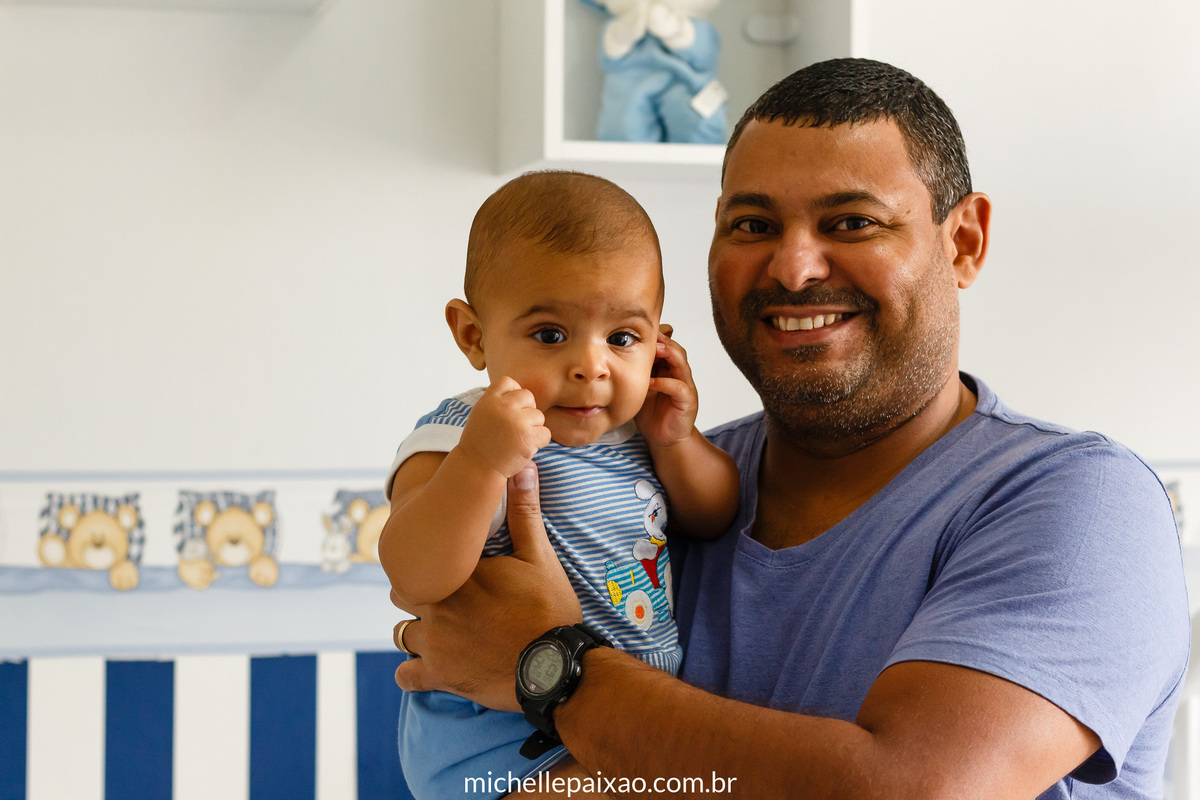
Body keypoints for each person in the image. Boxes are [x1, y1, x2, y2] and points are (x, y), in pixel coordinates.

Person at [390, 59, 1190, 800]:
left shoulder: (1080, 503)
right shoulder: (662, 469)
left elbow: (912, 791)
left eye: (851, 222)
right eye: (752, 225)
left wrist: (549, 667)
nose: (794, 267)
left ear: (965, 242)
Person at [378, 170, 740, 798]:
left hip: (616, 719)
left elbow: (714, 515)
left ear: (659, 341)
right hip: (496, 741)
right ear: (473, 335)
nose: (591, 366)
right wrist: (480, 465)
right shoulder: (462, 433)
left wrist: (677, 440)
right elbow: (412, 573)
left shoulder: (637, 434)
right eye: (550, 335)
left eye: (623, 338)